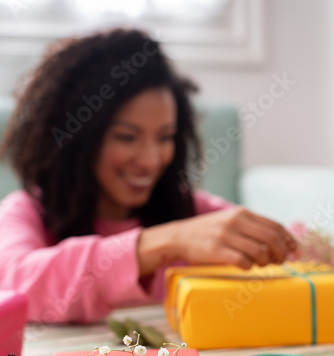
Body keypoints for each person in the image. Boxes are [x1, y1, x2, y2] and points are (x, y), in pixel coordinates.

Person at [0, 28, 297, 324]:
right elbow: (15, 285)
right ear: (77, 138)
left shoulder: (188, 210)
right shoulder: (26, 211)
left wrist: (301, 242)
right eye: (127, 137)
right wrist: (163, 242)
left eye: (165, 137)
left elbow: (284, 247)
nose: (151, 160)